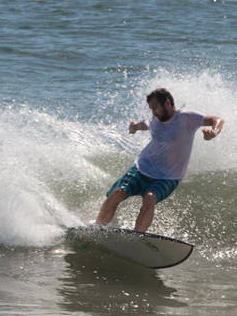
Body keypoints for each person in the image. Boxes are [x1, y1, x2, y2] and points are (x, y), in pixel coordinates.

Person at [95, 88, 223, 232]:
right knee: (118, 192)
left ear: (167, 103)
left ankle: (136, 238)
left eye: (155, 107)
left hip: (168, 177)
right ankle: (96, 228)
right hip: (142, 169)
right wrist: (134, 127)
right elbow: (145, 124)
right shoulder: (155, 120)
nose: (153, 112)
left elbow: (216, 120)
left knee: (150, 197)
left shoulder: (186, 117)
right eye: (151, 109)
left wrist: (214, 132)